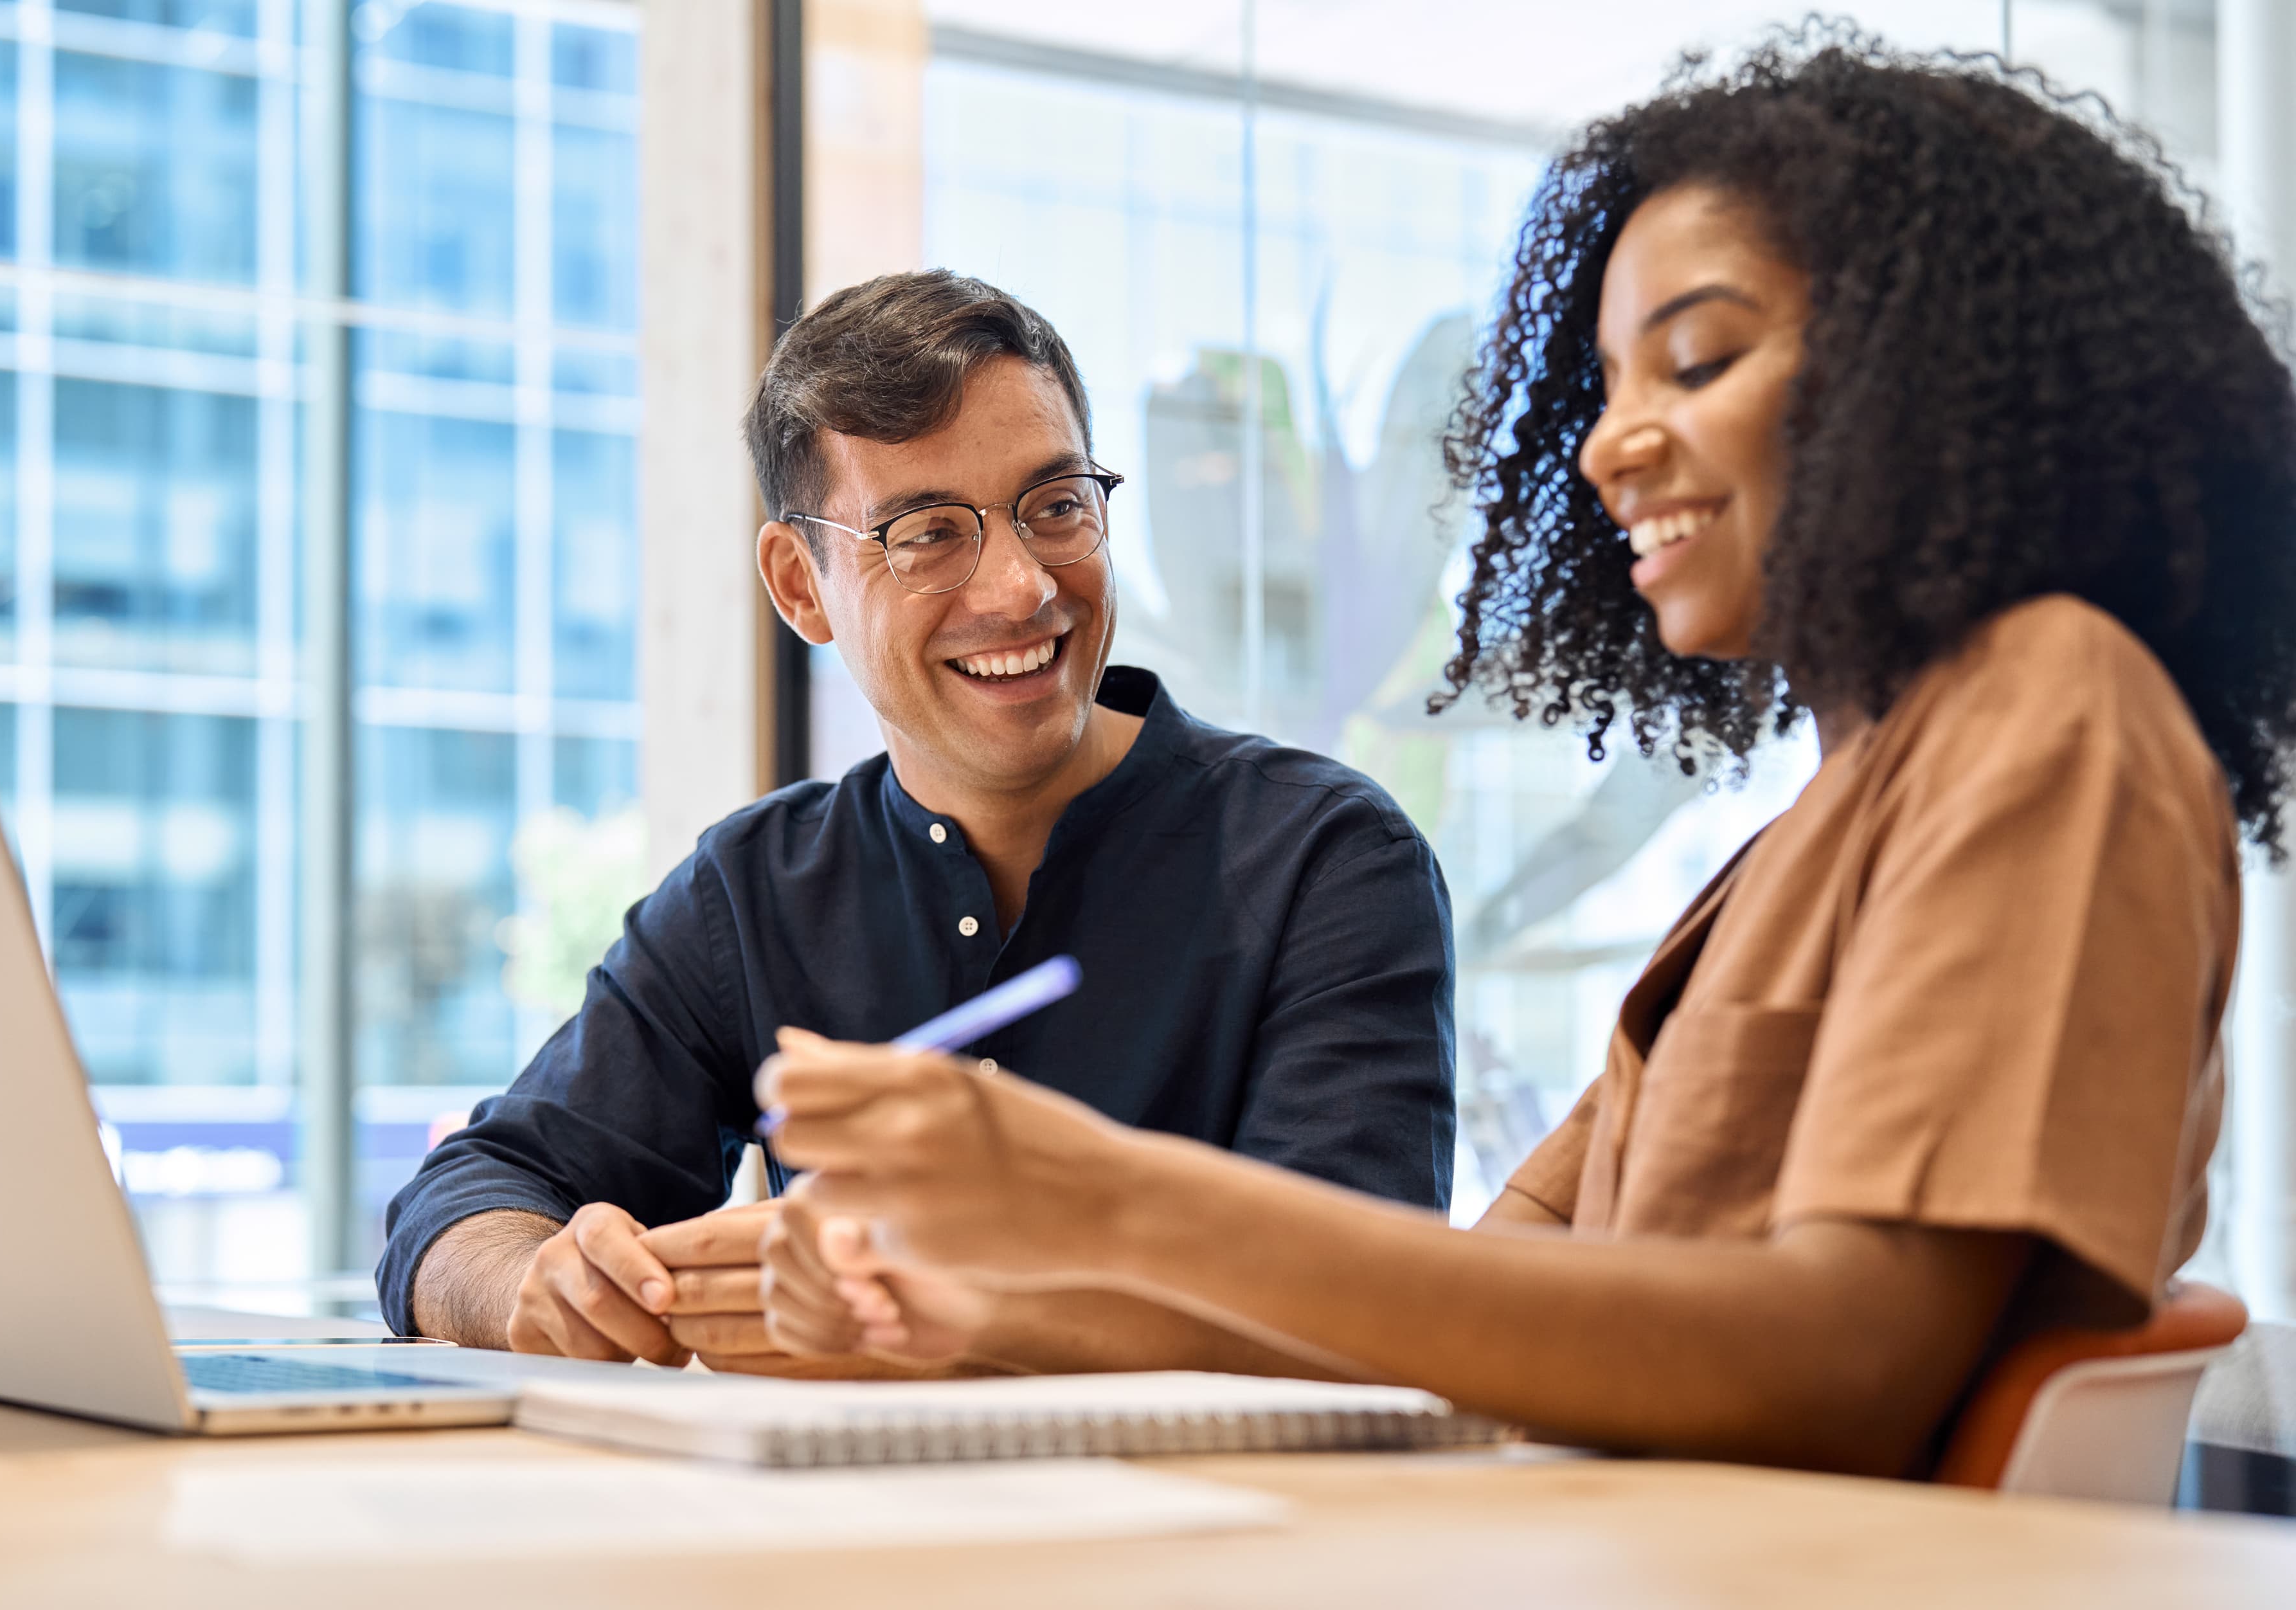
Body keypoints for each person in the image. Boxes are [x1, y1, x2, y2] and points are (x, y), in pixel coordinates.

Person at [751, 32, 2296, 1475]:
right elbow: (1464, 1315)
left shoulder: (2050, 711)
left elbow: (1855, 1354)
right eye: (1607, 384)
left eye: (1693, 365)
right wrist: (964, 1312)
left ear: (1931, 371)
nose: (1610, 444)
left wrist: (1096, 1189)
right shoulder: (1814, 842)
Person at [379, 269, 1458, 1375]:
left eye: (1056, 506)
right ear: (801, 586)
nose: (1021, 587)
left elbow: (1367, 1294)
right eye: (928, 533)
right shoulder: (754, 892)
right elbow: (470, 1197)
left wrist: (932, 1313)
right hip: (858, 1531)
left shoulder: (1325, 861)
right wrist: (540, 1284)